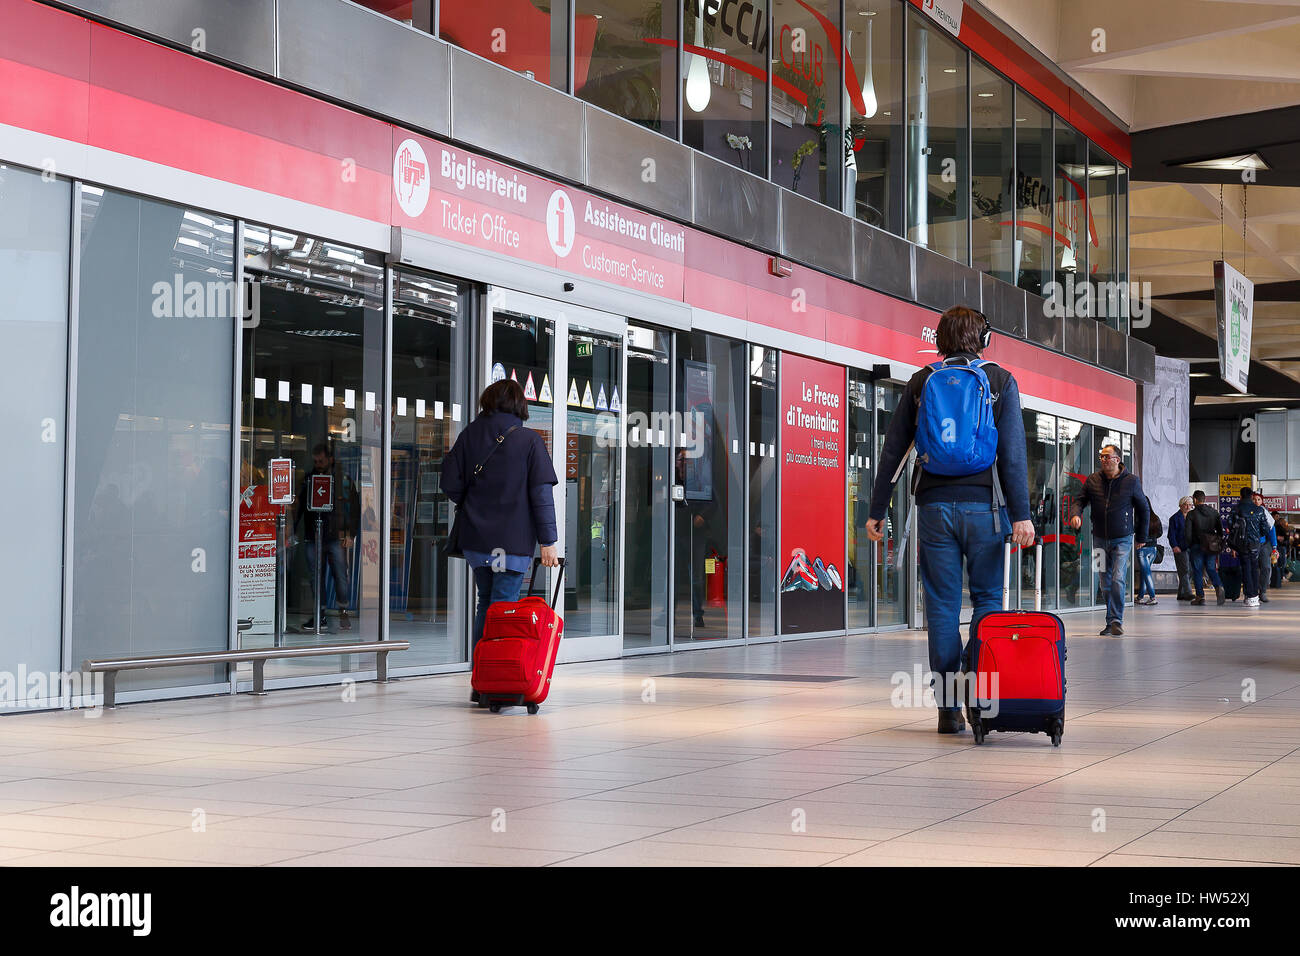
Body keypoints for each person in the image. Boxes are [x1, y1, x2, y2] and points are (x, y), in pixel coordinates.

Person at [866, 306, 1035, 735]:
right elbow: (1013, 455)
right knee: (987, 602)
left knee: (941, 607)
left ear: (939, 339)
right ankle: (980, 696)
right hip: (986, 510)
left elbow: (893, 450)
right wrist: (1022, 516)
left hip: (934, 508)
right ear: (984, 338)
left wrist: (876, 509)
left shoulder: (923, 381)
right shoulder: (999, 381)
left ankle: (947, 709)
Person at [441, 380, 560, 701]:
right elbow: (541, 495)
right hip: (512, 540)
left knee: (487, 604)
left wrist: (476, 501)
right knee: (502, 608)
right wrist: (549, 541)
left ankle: (482, 680)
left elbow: (449, 481)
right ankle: (492, 681)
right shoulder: (529, 440)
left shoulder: (470, 434)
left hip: (476, 538)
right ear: (520, 405)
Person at [1067, 444, 1148, 635]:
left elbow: (1144, 509)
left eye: (1107, 457)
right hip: (1099, 539)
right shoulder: (1093, 480)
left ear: (1117, 459)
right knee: (1104, 582)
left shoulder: (1131, 481)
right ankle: (1110, 621)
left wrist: (1142, 536)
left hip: (1122, 539)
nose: (1103, 460)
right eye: (1101, 456)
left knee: (1118, 577)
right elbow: (1080, 500)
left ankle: (1117, 620)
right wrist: (1076, 514)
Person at [294, 441, 358, 631]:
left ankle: (343, 612)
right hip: (313, 535)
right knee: (316, 578)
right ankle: (319, 614)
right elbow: (299, 508)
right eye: (315, 461)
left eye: (321, 461)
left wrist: (350, 534)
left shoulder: (343, 480)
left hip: (334, 535)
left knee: (340, 575)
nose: (318, 464)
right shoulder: (308, 479)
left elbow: (353, 509)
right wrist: (292, 529)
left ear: (329, 459)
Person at [1225, 486, 1268, 607]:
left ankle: (1250, 596)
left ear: (1240, 496)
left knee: (1246, 568)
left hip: (1242, 543)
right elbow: (1265, 529)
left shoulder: (1236, 509)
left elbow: (1230, 525)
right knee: (1254, 568)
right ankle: (1255, 596)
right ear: (1252, 496)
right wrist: (1257, 535)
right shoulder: (1259, 510)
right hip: (1255, 544)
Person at [1185, 490, 1225, 605]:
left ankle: (1200, 597)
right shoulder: (1214, 512)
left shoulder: (1191, 514)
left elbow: (1188, 533)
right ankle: (1219, 586)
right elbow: (1220, 531)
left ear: (1195, 500)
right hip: (1211, 546)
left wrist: (1189, 545)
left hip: (1197, 545)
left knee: (1197, 570)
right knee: (1211, 568)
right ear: (1204, 499)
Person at [1251, 490, 1278, 603]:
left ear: (1262, 501)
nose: (1256, 501)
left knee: (1266, 567)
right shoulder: (1248, 512)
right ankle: (1253, 592)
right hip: (1252, 544)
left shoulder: (1265, 513)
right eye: (1254, 499)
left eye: (1258, 499)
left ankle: (1263, 591)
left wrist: (1274, 546)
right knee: (1253, 569)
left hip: (1264, 544)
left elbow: (1272, 530)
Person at [1168, 496, 1194, 601]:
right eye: (1185, 504)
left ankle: (1181, 593)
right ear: (1180, 505)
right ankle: (1188, 593)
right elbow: (1171, 535)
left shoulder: (1193, 516)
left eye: (1189, 505)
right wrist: (1174, 546)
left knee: (1191, 570)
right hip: (1180, 548)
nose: (1188, 507)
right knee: (1184, 570)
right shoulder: (1174, 518)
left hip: (1191, 547)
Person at [1136, 497, 1160, 605]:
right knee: (1145, 572)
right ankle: (1140, 596)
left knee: (1147, 573)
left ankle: (1152, 597)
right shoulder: (1155, 517)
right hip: (1153, 549)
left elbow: (1134, 529)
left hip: (1142, 549)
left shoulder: (1138, 517)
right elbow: (1160, 533)